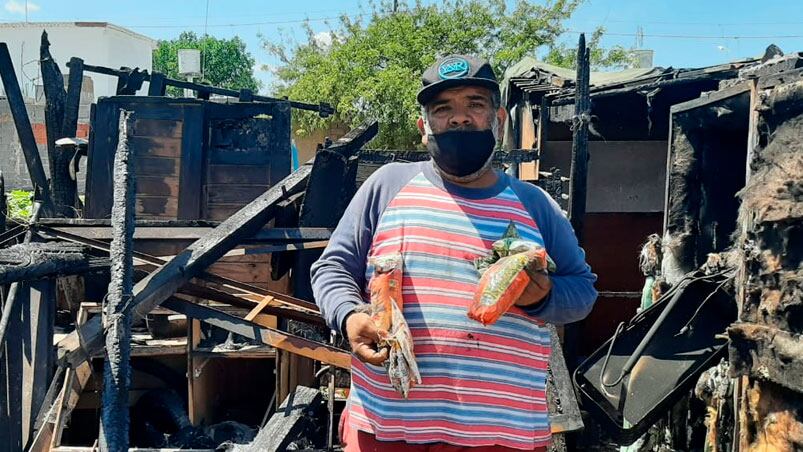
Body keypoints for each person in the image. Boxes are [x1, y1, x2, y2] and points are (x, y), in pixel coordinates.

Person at [311, 54, 597, 451]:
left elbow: (583, 292)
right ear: (423, 127)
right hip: (388, 426)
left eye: (474, 105)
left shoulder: (534, 204)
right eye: (443, 109)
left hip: (500, 434)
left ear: (499, 120)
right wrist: (349, 315)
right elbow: (333, 267)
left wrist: (544, 297)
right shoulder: (387, 186)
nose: (459, 119)